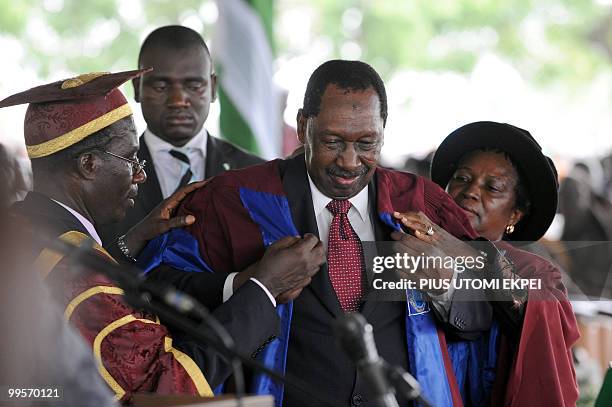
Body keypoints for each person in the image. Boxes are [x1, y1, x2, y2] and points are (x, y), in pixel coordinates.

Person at [142, 60, 495, 407]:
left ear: (383, 129)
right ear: (302, 126)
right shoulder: (235, 198)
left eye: (367, 143)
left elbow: (483, 320)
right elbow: (156, 289)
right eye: (333, 141)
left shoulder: (420, 201)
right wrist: (248, 283)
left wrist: (447, 283)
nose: (350, 161)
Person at [2, 70, 315, 403]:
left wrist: (129, 243)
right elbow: (168, 387)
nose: (139, 172)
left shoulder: (19, 230)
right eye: (130, 157)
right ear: (89, 165)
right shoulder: (83, 281)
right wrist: (264, 288)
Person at [394, 121, 580, 406]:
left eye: (492, 187)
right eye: (461, 178)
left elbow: (539, 330)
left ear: (515, 214)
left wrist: (469, 254)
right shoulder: (409, 245)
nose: (470, 191)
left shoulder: (535, 270)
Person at [99, 25, 264, 255]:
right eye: (161, 86)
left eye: (193, 85)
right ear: (138, 88)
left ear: (213, 88)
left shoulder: (255, 172)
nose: (178, 100)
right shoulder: (103, 175)